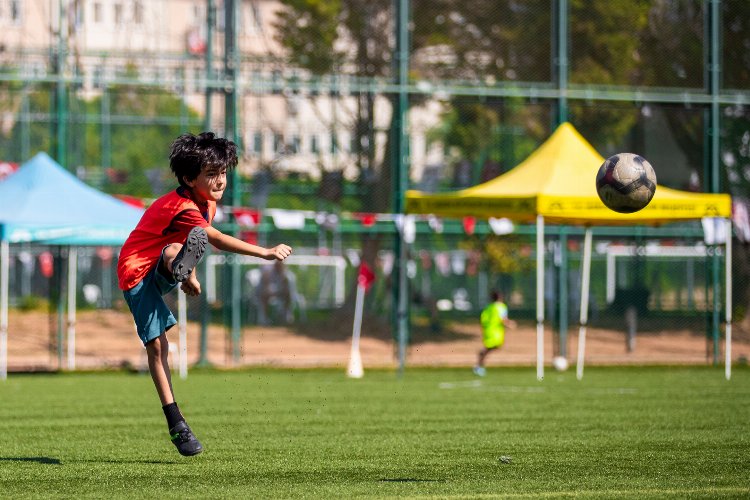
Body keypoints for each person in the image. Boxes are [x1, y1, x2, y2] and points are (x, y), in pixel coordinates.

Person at [117, 132, 292, 456]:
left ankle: (177, 269)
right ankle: (176, 423)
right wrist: (265, 252)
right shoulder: (183, 206)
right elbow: (215, 238)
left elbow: (190, 240)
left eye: (223, 172)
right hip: (136, 271)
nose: (220, 180)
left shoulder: (205, 203)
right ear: (188, 178)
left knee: (175, 250)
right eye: (211, 174)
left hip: (164, 263)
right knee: (158, 346)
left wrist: (190, 275)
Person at [473, 290, 516, 377]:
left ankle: (479, 364)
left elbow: (483, 318)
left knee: (491, 347)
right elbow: (503, 319)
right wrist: (510, 324)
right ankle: (479, 364)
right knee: (493, 347)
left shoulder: (489, 307)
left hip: (488, 330)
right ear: (500, 297)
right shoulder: (501, 307)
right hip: (496, 331)